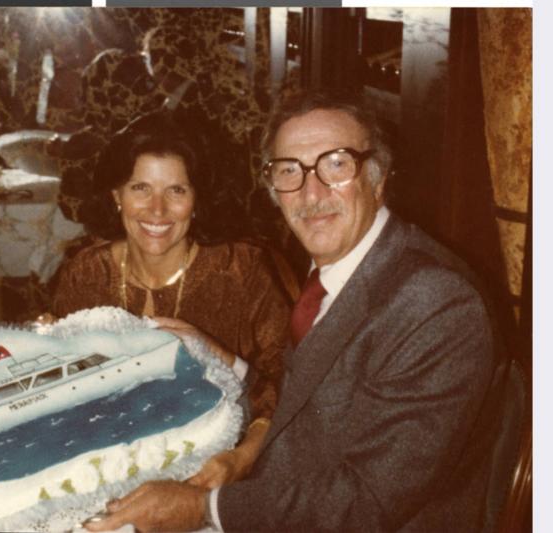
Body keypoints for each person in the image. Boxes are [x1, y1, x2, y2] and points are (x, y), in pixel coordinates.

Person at [85, 92, 501, 532]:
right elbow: (312, 399)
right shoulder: (341, 267)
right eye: (290, 171)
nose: (311, 192)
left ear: (377, 178)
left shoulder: (436, 302)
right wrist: (226, 360)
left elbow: (367, 501)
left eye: (336, 164)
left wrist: (206, 509)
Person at [52, 110, 292, 488]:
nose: (157, 210)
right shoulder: (86, 275)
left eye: (176, 190)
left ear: (197, 200)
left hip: (219, 475)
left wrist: (219, 355)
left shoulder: (242, 272)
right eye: (140, 188)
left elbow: (292, 389)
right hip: (108, 476)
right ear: (116, 195)